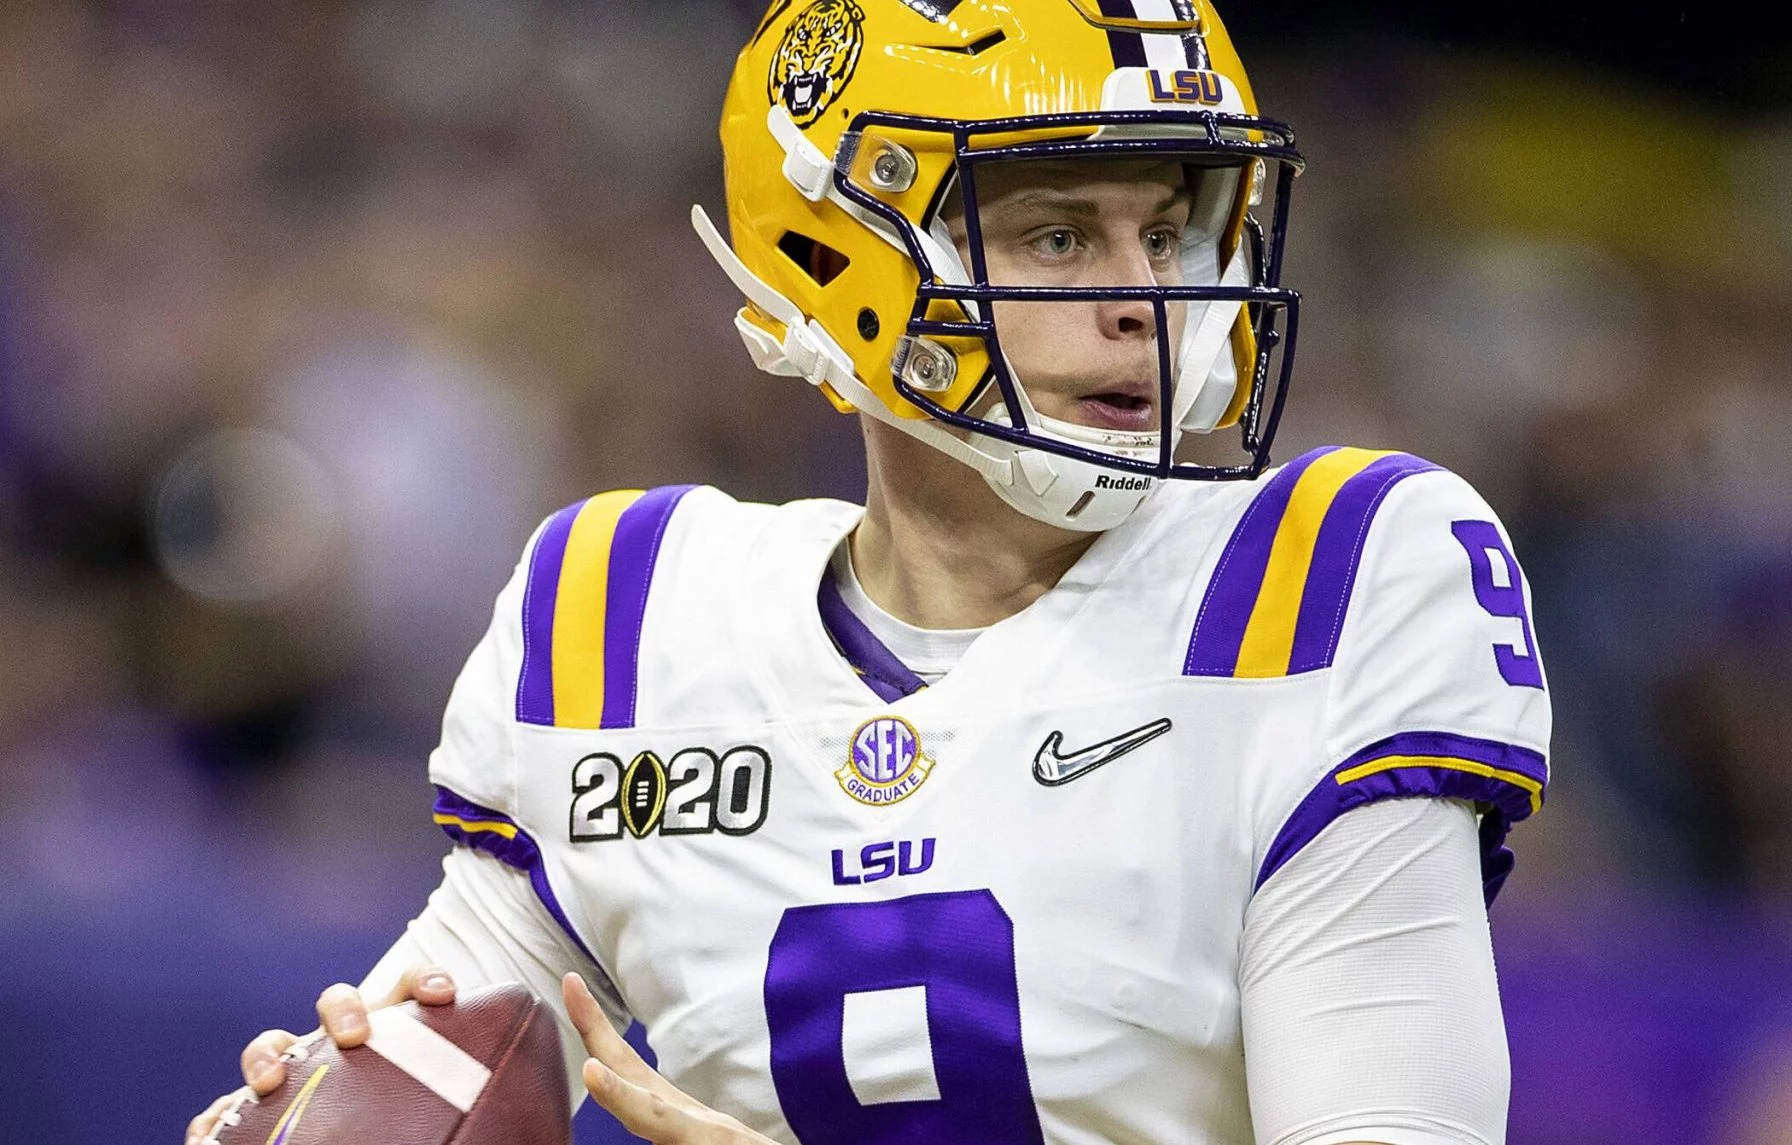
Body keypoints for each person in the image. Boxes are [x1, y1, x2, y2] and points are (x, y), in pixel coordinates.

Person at [188, 2, 1551, 1143]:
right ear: (834, 255)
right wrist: (310, 1103)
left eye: (1171, 228)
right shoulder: (621, 614)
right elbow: (429, 1065)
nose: (1149, 295)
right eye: (1059, 235)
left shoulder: (1330, 578)